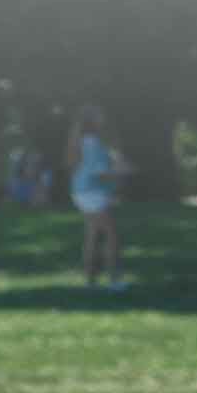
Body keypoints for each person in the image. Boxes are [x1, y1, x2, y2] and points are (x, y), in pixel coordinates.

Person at [71, 107, 127, 290]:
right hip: (92, 192)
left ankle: (90, 281)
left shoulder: (83, 141)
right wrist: (121, 171)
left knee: (92, 235)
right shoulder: (94, 143)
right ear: (93, 122)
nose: (103, 120)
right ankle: (114, 281)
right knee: (112, 237)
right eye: (99, 117)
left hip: (82, 190)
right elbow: (99, 173)